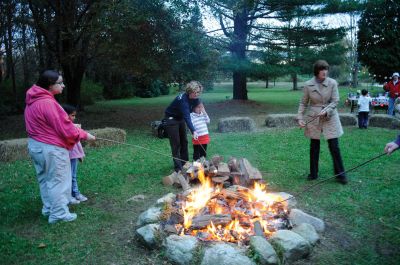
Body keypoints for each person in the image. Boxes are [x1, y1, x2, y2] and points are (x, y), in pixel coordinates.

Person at [25, 70, 95, 224]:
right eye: (60, 83)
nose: (63, 85)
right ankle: (58, 214)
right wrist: (85, 135)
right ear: (50, 85)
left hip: (36, 147)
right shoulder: (48, 103)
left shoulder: (33, 100)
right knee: (58, 180)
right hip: (50, 149)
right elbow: (65, 128)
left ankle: (49, 208)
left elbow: (51, 125)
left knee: (45, 179)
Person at [297, 60, 348, 184]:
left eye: (326, 69)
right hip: (314, 117)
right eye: (322, 70)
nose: (325, 72)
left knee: (334, 146)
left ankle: (340, 175)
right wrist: (300, 117)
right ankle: (313, 173)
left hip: (330, 117)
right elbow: (303, 103)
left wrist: (326, 111)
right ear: (317, 71)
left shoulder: (332, 83)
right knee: (314, 146)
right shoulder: (308, 85)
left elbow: (335, 101)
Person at [164, 81, 202, 174]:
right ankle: (178, 168)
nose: (196, 94)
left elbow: (198, 107)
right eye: (195, 92)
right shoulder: (183, 100)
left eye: (198, 92)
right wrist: (193, 131)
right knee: (176, 143)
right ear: (189, 91)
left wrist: (204, 116)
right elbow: (187, 117)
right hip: (171, 119)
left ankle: (185, 164)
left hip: (180, 118)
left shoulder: (195, 98)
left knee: (184, 141)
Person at [62, 104, 88, 203]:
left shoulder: (73, 127)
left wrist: (80, 155)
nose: (74, 117)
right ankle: (71, 195)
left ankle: (75, 193)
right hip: (67, 155)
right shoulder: (66, 128)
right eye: (72, 115)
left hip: (73, 156)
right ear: (64, 115)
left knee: (72, 175)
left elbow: (78, 144)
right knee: (68, 176)